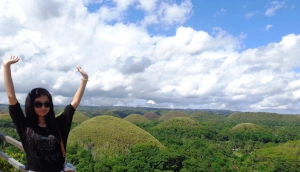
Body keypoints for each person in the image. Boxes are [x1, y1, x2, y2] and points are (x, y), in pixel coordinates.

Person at [3, 55, 88, 172]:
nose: (43, 107)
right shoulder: (25, 126)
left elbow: (74, 103)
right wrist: (6, 66)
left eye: (47, 104)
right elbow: (11, 97)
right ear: (31, 105)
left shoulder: (57, 124)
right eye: (38, 104)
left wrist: (84, 79)